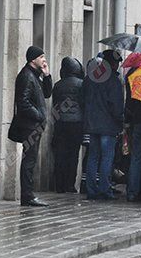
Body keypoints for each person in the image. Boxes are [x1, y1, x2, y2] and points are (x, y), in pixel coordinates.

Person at [9, 45, 53, 207]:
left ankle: (28, 195)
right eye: (41, 57)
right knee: (29, 161)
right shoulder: (26, 76)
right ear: (33, 59)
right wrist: (39, 115)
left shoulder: (35, 75)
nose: (44, 60)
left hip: (34, 125)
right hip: (29, 126)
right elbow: (23, 102)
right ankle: (27, 196)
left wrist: (47, 76)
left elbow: (47, 94)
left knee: (31, 160)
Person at [83, 50, 124, 200]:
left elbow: (83, 100)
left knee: (93, 156)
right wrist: (120, 121)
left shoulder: (89, 79)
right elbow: (116, 107)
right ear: (112, 64)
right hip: (108, 125)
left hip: (92, 124)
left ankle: (91, 189)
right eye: (117, 63)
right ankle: (105, 189)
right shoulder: (113, 81)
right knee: (107, 157)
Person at [51, 57, 85, 193]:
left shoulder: (58, 85)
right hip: (76, 123)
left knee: (60, 154)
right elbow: (83, 103)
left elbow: (55, 104)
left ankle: (59, 184)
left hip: (61, 123)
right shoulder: (81, 84)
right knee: (73, 155)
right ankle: (70, 184)